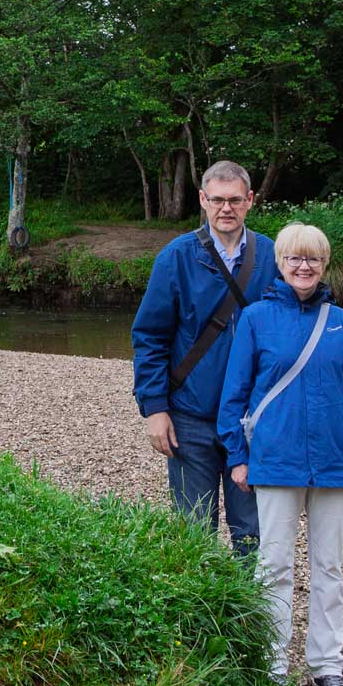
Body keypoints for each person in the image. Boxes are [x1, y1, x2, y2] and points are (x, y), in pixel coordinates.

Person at [218, 222, 343, 686]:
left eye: (312, 259)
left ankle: (327, 665)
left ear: (324, 265)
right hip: (276, 460)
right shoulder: (256, 318)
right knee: (274, 565)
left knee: (329, 568)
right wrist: (237, 456)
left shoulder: (341, 321)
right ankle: (270, 662)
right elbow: (234, 394)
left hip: (333, 462)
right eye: (294, 258)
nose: (303, 266)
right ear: (280, 263)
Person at [130, 161, 277, 555]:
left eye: (234, 200)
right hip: (190, 417)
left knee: (252, 530)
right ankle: (199, 614)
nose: (225, 208)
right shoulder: (176, 257)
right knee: (194, 530)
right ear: (202, 200)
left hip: (251, 419)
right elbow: (149, 336)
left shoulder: (274, 257)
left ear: (249, 201)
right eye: (216, 200)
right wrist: (154, 408)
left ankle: (249, 614)